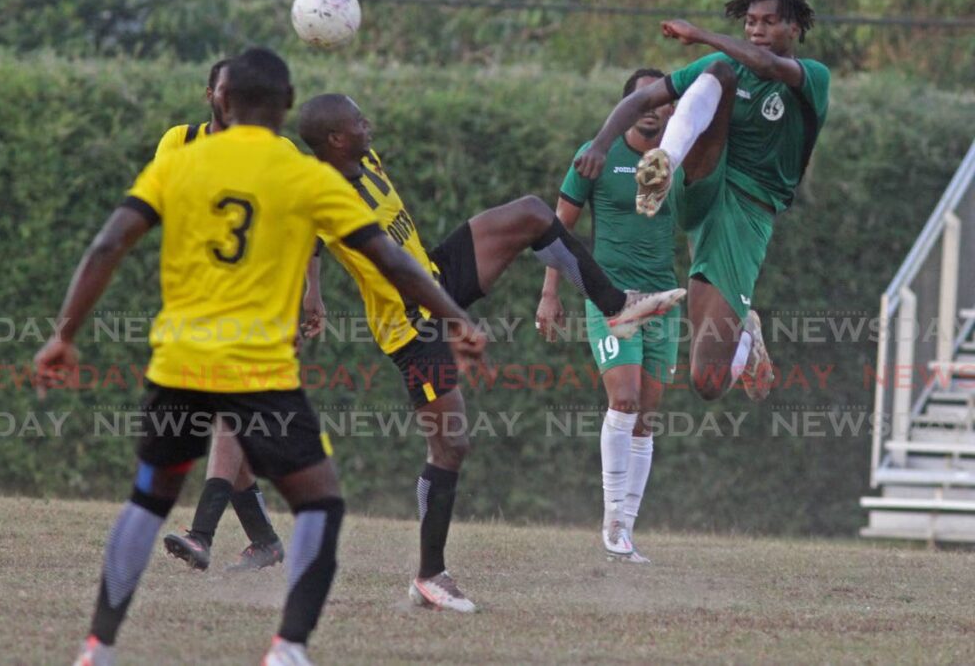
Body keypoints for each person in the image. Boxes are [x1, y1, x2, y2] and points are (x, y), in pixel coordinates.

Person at [33, 48, 488, 666]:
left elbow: (109, 242)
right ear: (289, 102)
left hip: (179, 366)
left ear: (221, 100)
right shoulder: (306, 176)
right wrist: (456, 317)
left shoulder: (181, 160)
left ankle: (98, 645)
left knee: (147, 501)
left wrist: (64, 334)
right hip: (260, 374)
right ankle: (288, 647)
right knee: (322, 504)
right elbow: (391, 259)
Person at [169, 92, 686, 614]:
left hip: (436, 275)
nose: (368, 124)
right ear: (336, 139)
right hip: (412, 321)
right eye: (358, 121)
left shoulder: (361, 157)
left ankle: (616, 306)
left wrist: (315, 291)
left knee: (531, 213)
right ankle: (429, 576)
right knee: (451, 447)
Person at [573, 0, 830, 402]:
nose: (757, 30)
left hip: (747, 214)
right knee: (717, 73)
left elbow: (768, 64)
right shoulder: (728, 62)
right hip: (702, 182)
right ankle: (662, 163)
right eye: (750, 22)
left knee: (706, 382)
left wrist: (702, 34)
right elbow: (642, 99)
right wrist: (600, 143)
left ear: (793, 26)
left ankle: (746, 335)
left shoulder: (813, 77)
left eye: (768, 22)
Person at [151, 60, 288, 573]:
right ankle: (265, 541)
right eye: (227, 92)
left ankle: (202, 533)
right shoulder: (178, 142)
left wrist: (307, 298)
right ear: (210, 93)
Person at [538, 68, 677, 563]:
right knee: (625, 399)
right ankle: (612, 517)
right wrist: (550, 292)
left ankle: (626, 533)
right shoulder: (597, 155)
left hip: (665, 299)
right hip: (612, 298)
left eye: (661, 99)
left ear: (672, 108)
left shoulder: (679, 159)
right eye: (641, 98)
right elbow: (557, 228)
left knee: (648, 417)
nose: (652, 106)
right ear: (625, 107)